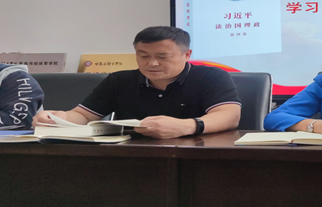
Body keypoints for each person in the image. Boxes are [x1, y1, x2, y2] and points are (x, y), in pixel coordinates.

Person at [33, 26, 241, 139]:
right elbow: (84, 115)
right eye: (143, 56)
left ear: (187, 54)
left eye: (162, 56)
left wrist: (185, 126)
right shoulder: (120, 80)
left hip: (196, 152)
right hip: (132, 155)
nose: (152, 63)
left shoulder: (210, 76)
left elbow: (229, 116)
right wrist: (59, 118)